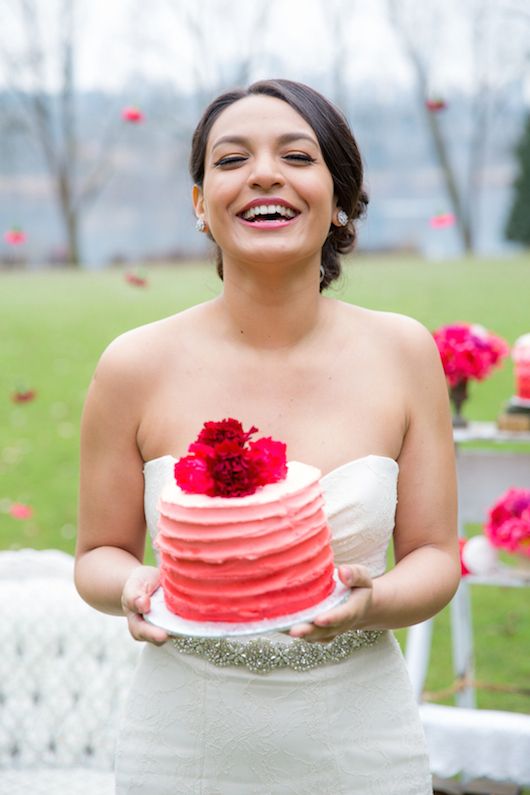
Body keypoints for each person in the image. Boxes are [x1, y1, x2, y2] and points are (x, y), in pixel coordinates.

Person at [75, 78, 460, 794]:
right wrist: (133, 584)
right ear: (199, 205)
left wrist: (371, 602)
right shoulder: (134, 364)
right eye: (230, 160)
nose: (263, 173)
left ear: (338, 195)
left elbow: (436, 554)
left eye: (296, 154)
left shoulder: (404, 352)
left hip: (360, 742)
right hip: (180, 745)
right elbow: (97, 553)